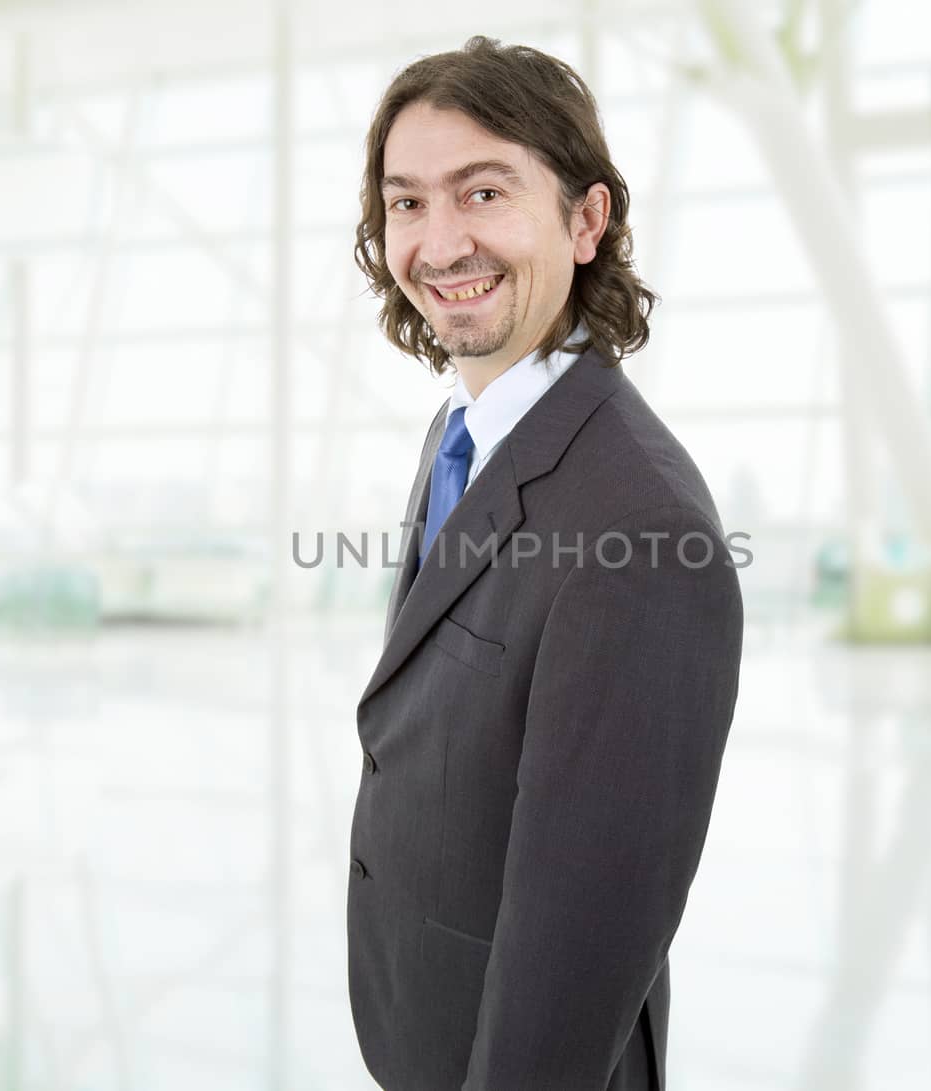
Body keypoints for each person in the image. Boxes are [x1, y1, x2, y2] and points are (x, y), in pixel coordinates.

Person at [347, 35, 745, 1091]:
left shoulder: (642, 528)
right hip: (431, 1034)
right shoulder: (462, 434)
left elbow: (585, 929)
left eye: (483, 191)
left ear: (585, 219)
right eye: (407, 203)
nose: (439, 242)